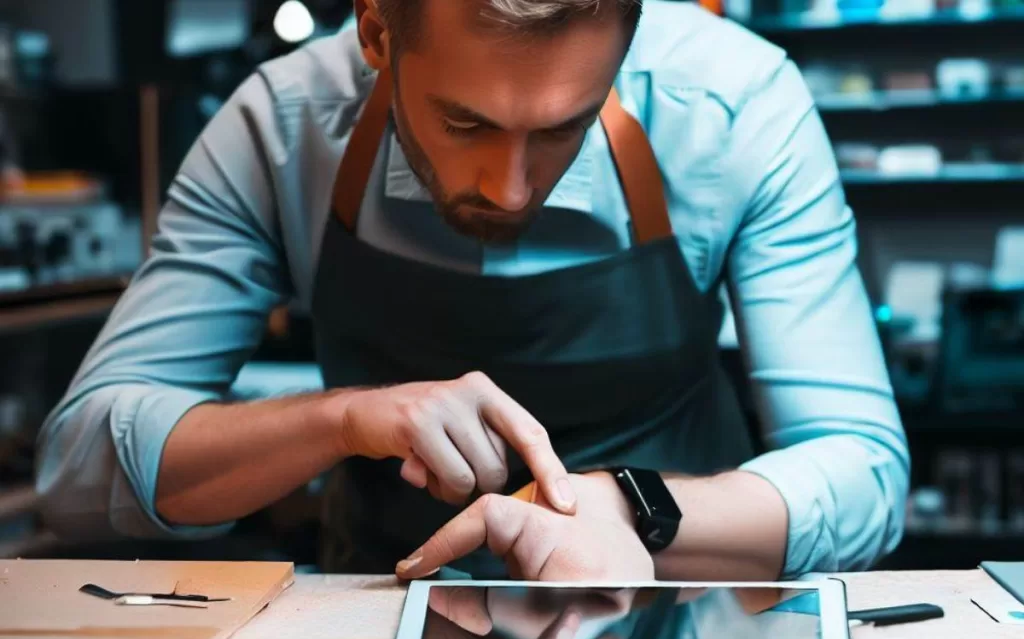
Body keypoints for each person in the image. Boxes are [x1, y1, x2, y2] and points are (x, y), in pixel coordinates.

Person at [37, 0, 909, 582]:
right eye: (465, 123)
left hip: (678, 608)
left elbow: (866, 473)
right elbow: (77, 470)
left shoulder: (736, 107)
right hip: (379, 613)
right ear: (377, 32)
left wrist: (633, 505)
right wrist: (339, 417)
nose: (512, 190)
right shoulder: (280, 129)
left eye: (566, 123)